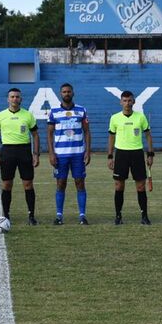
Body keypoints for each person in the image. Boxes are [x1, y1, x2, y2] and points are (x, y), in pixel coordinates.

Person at [0, 88, 40, 225]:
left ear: (21, 99)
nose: (14, 99)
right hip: (7, 151)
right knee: (7, 184)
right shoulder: (0, 116)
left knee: (28, 184)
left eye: (17, 96)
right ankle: (6, 215)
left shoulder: (28, 115)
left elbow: (35, 135)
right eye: (12, 97)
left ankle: (31, 215)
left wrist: (36, 154)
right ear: (8, 99)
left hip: (24, 151)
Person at [107, 90, 154, 225]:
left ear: (134, 101)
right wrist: (110, 156)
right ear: (121, 102)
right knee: (119, 186)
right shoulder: (115, 118)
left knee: (140, 186)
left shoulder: (141, 117)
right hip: (121, 154)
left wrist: (150, 154)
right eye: (125, 101)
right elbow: (111, 137)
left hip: (137, 154)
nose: (127, 103)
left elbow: (148, 136)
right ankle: (118, 216)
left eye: (130, 100)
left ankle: (144, 216)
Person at [47, 83, 91, 225]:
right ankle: (59, 216)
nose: (66, 94)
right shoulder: (54, 112)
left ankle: (82, 216)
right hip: (60, 155)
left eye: (69, 91)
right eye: (64, 92)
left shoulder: (81, 110)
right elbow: (49, 134)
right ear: (61, 94)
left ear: (73, 93)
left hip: (78, 154)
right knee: (61, 183)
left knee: (80, 183)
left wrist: (88, 151)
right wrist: (51, 153)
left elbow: (87, 131)